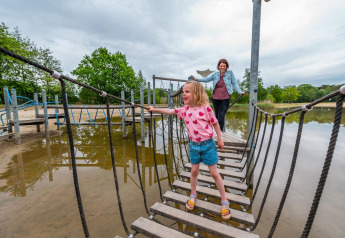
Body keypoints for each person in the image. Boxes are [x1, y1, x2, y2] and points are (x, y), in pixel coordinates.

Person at [147, 80, 231, 220]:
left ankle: (224, 200)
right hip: (193, 145)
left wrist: (220, 139)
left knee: (214, 173)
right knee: (193, 171)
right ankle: (193, 195)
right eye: (183, 92)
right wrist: (154, 109)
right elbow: (169, 111)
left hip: (208, 145)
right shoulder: (184, 110)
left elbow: (215, 123)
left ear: (196, 94)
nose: (183, 94)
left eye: (187, 92)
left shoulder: (206, 108)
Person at [192, 58, 246, 131]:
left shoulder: (230, 73)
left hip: (226, 97)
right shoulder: (215, 74)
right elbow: (207, 79)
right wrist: (197, 79)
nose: (222, 67)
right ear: (218, 66)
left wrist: (240, 92)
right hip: (215, 97)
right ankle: (217, 132)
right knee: (216, 116)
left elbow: (234, 83)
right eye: (221, 66)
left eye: (224, 66)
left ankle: (219, 134)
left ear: (226, 66)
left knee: (221, 115)